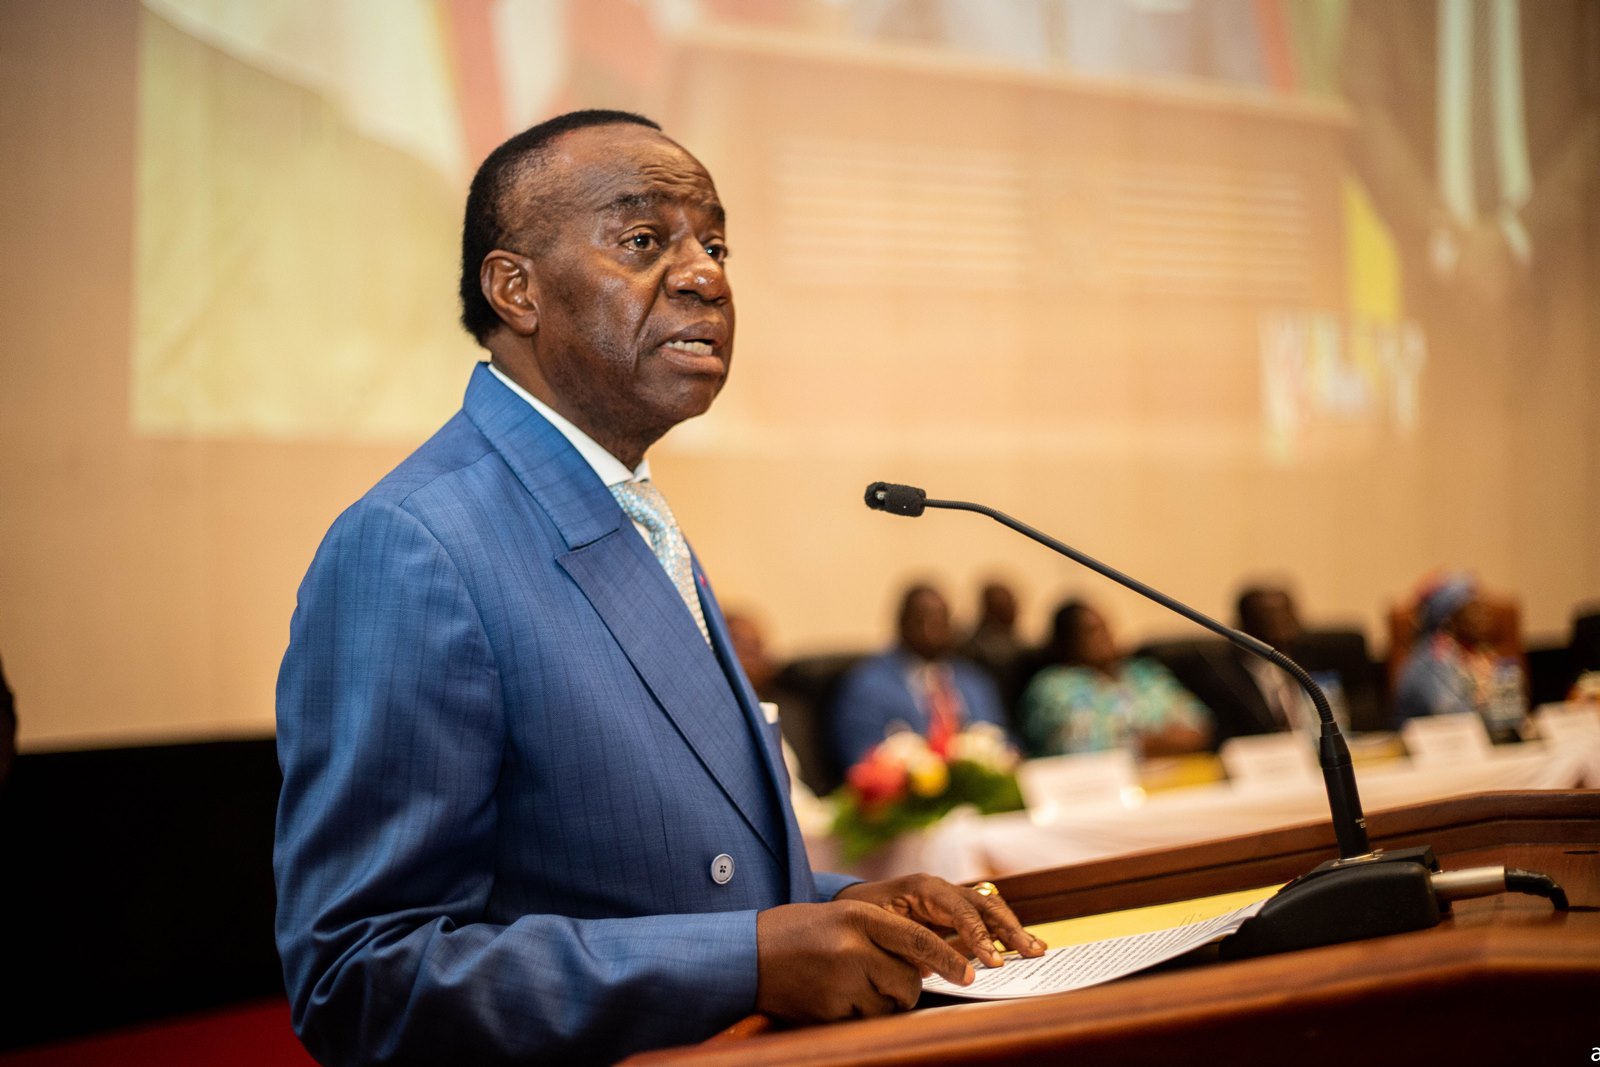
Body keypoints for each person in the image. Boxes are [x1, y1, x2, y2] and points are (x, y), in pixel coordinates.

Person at [272, 110, 1043, 1066]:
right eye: (644, 241)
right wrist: (747, 958)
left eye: (714, 243)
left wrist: (838, 908)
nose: (706, 274)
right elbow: (362, 975)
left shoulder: (620, 502)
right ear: (515, 288)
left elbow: (663, 875)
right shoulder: (414, 545)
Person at [830, 583, 1010, 771]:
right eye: (922, 619)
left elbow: (1002, 742)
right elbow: (862, 759)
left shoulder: (974, 680)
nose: (933, 630)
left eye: (941, 621)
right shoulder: (866, 686)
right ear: (901, 623)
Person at [1021, 600, 1213, 758]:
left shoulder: (1145, 673)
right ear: (1066, 642)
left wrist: (1146, 744)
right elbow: (1078, 749)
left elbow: (1198, 726)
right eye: (1091, 632)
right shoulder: (1053, 687)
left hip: (1176, 779)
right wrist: (1147, 745)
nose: (1105, 638)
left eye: (1106, 628)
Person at [1393, 573, 1525, 740]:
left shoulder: (1477, 654)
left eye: (1481, 607)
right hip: (1435, 750)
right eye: (1472, 610)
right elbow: (1452, 717)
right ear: (1449, 619)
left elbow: (1510, 711)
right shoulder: (1433, 658)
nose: (1483, 616)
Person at [958, 578, 1032, 727]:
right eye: (1000, 606)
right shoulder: (970, 651)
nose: (1010, 609)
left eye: (1010, 603)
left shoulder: (1024, 651)